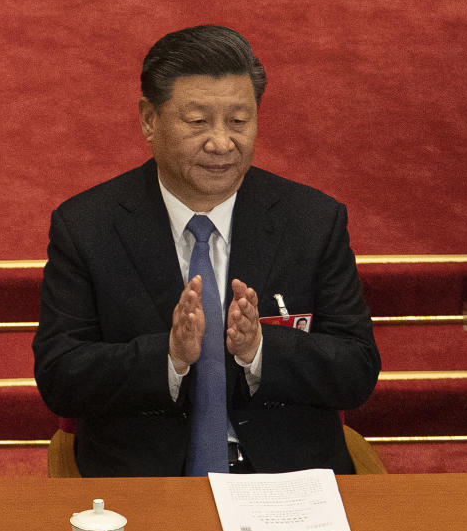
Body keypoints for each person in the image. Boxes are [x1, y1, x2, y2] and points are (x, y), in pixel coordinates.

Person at [33, 25, 381, 477]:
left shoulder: (312, 221)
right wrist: (170, 357)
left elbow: (357, 370)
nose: (222, 143)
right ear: (149, 120)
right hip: (144, 480)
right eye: (197, 122)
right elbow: (61, 377)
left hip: (288, 478)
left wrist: (260, 349)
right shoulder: (87, 226)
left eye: (239, 121)